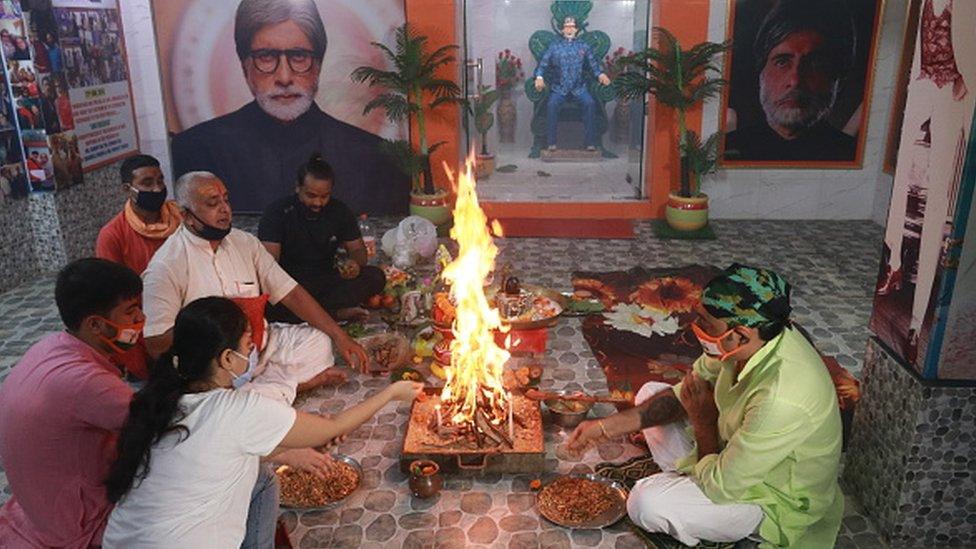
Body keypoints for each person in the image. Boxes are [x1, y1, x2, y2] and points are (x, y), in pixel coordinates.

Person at [102, 296, 423, 547]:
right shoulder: (237, 408)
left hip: (121, 541)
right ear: (227, 359)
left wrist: (287, 450)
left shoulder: (162, 399)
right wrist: (391, 394)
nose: (254, 348)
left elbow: (210, 451)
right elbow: (335, 426)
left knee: (262, 479)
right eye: (247, 344)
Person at [568, 265, 843, 547]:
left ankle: (698, 493)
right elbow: (684, 393)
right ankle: (691, 479)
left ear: (740, 335)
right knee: (651, 393)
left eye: (705, 324)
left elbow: (722, 488)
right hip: (730, 449)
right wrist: (602, 428)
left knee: (645, 503)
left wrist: (703, 422)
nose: (696, 329)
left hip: (766, 496)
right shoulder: (752, 338)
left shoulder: (782, 398)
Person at [142, 171, 368, 405]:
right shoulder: (166, 266)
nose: (225, 209)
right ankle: (286, 388)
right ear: (185, 215)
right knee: (208, 394)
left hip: (260, 347)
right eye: (213, 203)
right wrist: (213, 344)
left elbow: (291, 293)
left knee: (320, 343)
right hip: (217, 366)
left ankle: (255, 394)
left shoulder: (244, 242)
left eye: (226, 199)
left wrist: (340, 336)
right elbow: (156, 343)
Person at [170, 0, 408, 215]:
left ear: (318, 65)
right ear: (245, 67)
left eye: (298, 56)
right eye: (266, 56)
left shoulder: (377, 159)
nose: (284, 77)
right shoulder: (196, 151)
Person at [0, 258, 143, 548]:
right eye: (130, 312)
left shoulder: (50, 346)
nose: (141, 317)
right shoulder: (84, 382)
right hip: (74, 524)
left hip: (39, 504)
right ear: (95, 324)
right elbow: (159, 422)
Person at [723, 0, 857, 162]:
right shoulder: (724, 153)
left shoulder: (851, 156)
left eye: (814, 65)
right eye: (782, 62)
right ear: (761, 74)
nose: (795, 80)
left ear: (837, 78)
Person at [259, 153, 385, 322]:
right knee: (269, 304)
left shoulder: (339, 211)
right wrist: (289, 290)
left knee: (376, 276)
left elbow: (357, 249)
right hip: (290, 285)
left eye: (324, 196)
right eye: (311, 196)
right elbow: (269, 267)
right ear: (297, 187)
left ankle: (317, 313)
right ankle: (335, 314)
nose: (318, 203)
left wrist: (354, 263)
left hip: (327, 280)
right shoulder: (277, 213)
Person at [533, 16, 612, 151]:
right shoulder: (555, 46)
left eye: (572, 27)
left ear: (576, 29)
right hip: (559, 88)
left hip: (578, 88)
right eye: (567, 27)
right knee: (551, 104)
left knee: (589, 103)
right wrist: (539, 76)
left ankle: (590, 142)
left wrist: (600, 74)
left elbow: (593, 64)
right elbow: (544, 63)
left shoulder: (583, 46)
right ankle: (551, 142)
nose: (569, 29)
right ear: (562, 29)